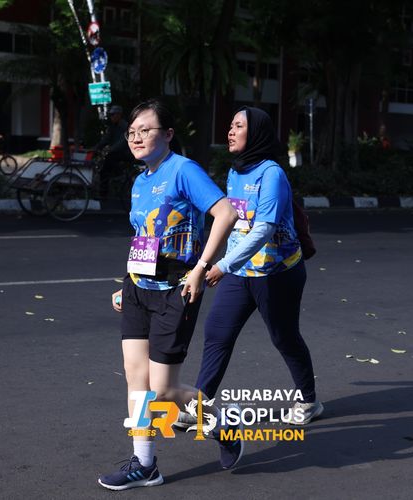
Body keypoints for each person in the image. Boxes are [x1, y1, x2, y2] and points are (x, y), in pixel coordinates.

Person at [98, 99, 240, 491]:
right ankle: (145, 464)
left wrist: (200, 268)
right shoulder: (141, 180)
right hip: (138, 289)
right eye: (131, 132)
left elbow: (226, 214)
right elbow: (144, 236)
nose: (136, 138)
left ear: (168, 134)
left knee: (163, 389)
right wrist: (128, 281)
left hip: (176, 290)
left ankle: (222, 422)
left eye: (145, 130)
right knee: (136, 379)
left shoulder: (183, 170)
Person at [195, 106, 324, 426]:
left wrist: (223, 265)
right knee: (217, 332)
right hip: (240, 272)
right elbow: (231, 223)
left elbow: (264, 229)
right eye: (230, 125)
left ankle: (308, 400)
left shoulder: (272, 174)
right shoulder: (235, 172)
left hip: (277, 274)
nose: (230, 131)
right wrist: (206, 260)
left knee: (284, 337)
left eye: (239, 126)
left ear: (256, 133)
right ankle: (199, 405)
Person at [95, 105, 134, 197]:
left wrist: (111, 149)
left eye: (113, 115)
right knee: (104, 164)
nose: (111, 117)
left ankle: (103, 193)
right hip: (116, 152)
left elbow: (123, 141)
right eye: (111, 115)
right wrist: (96, 147)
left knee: (105, 169)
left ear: (119, 115)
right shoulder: (112, 126)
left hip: (125, 153)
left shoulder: (124, 126)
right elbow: (106, 138)